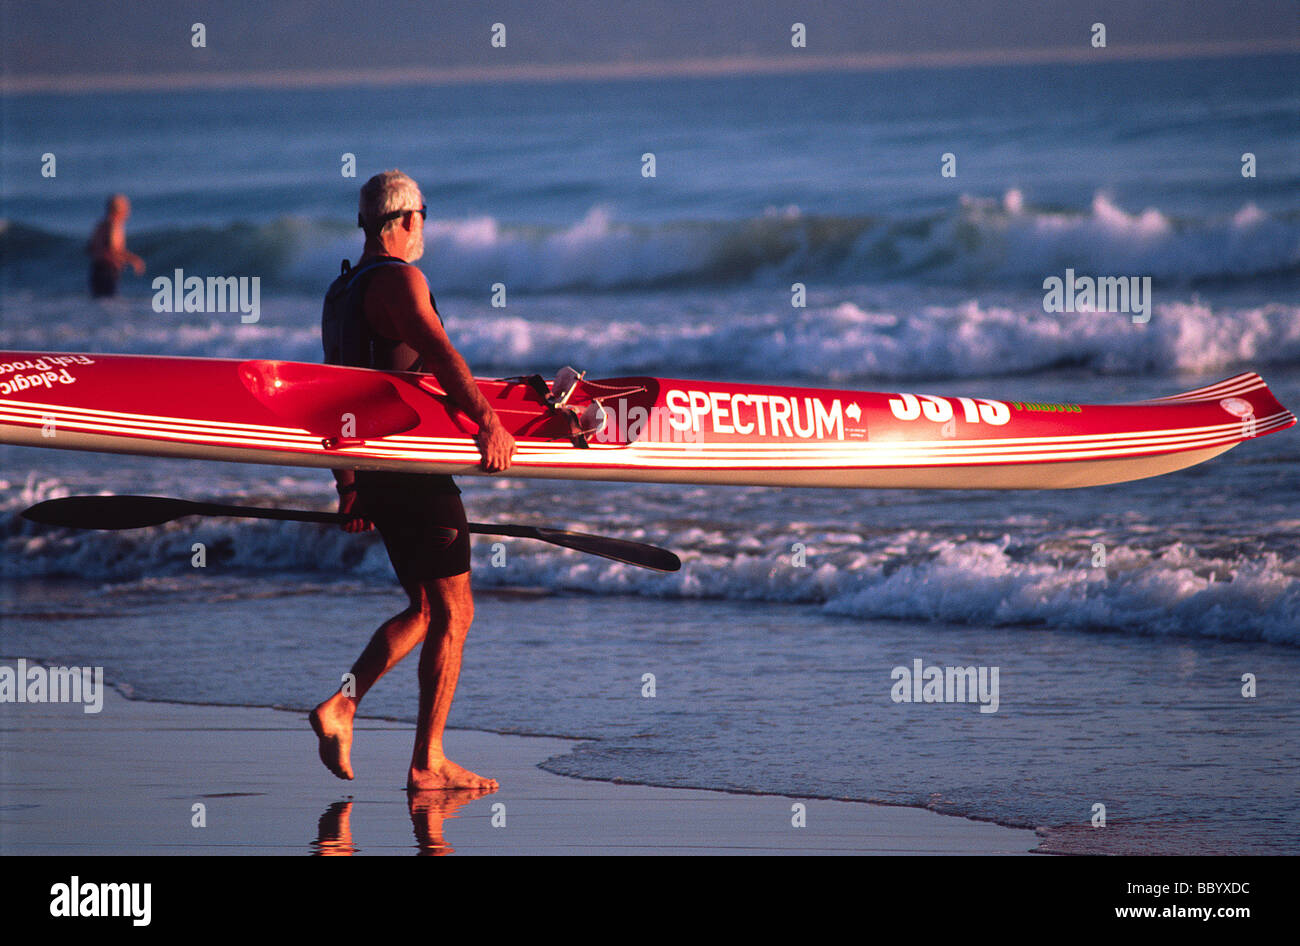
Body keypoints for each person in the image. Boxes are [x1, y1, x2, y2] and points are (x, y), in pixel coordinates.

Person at [310, 170, 515, 791]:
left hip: (375, 468)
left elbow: (333, 391)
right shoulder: (402, 279)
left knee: (425, 609)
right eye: (422, 214)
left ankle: (342, 704)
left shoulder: (340, 291)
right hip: (413, 465)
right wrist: (489, 421)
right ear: (403, 221)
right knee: (457, 611)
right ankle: (428, 761)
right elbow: (444, 354)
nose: (424, 225)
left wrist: (348, 484)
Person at [85, 194, 144, 297]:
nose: (128, 211)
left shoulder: (101, 225)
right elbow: (114, 249)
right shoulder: (115, 225)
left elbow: (90, 248)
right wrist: (134, 260)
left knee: (99, 301)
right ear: (119, 210)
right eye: (127, 207)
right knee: (110, 303)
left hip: (96, 269)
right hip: (107, 271)